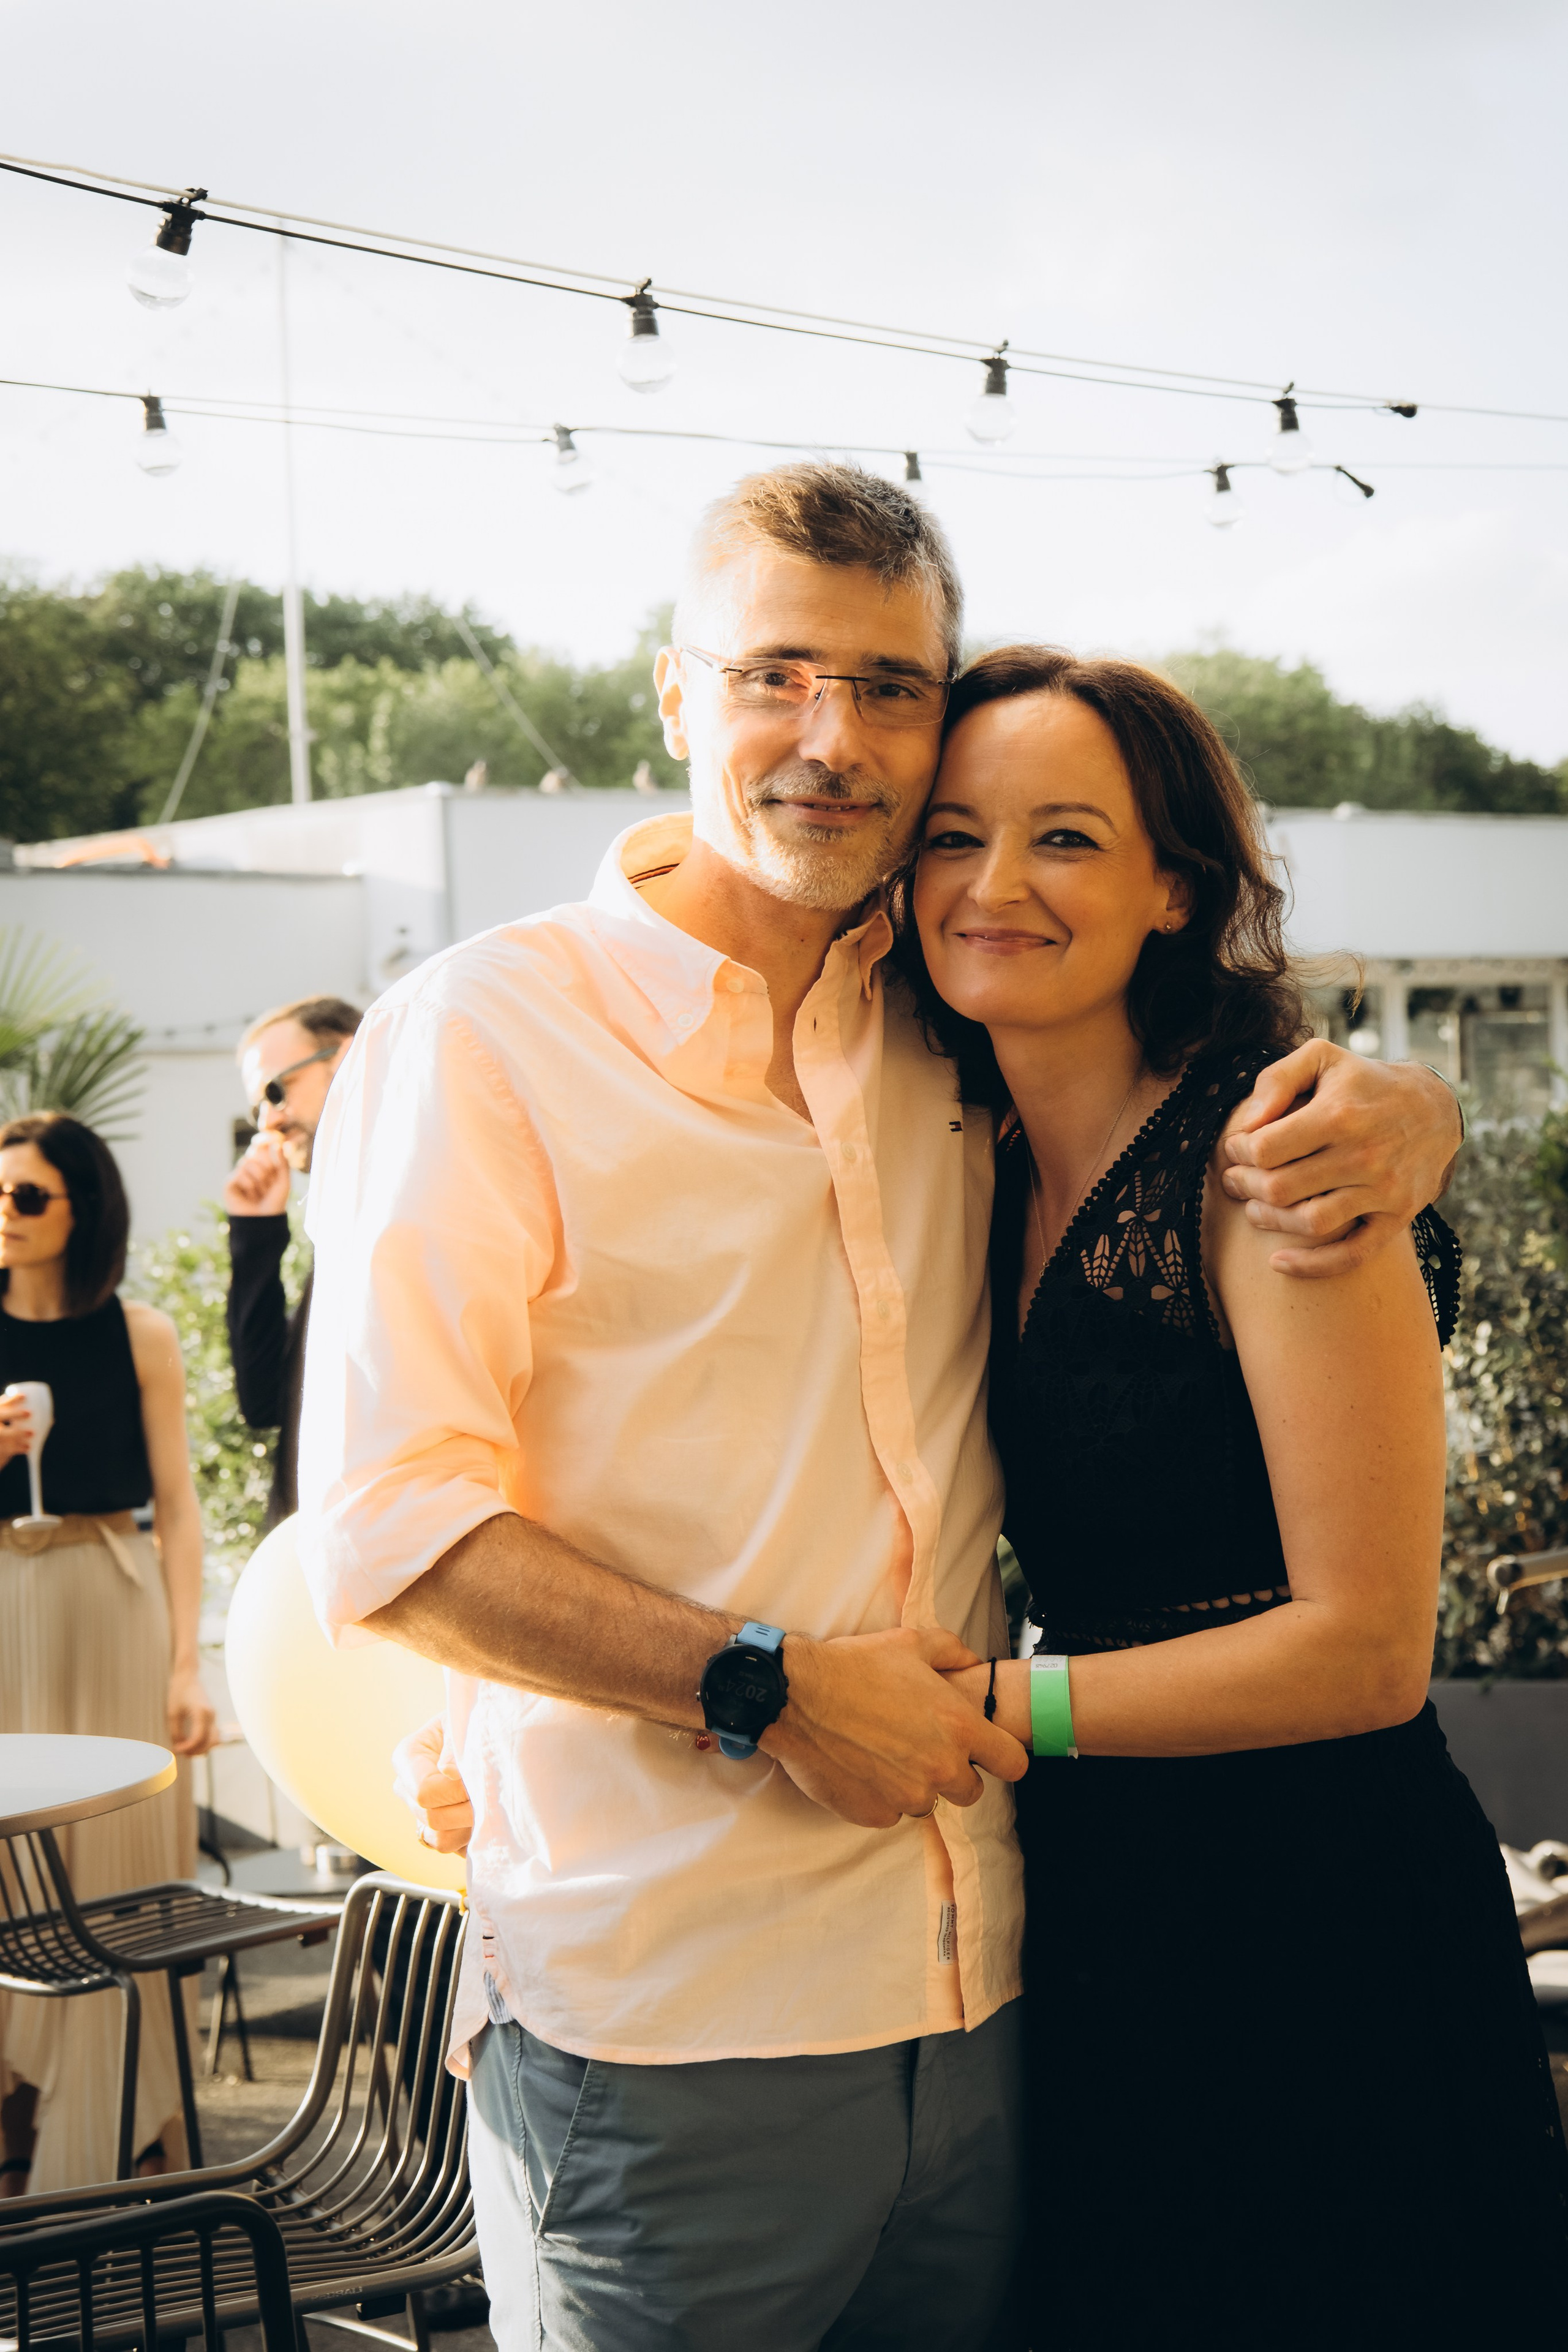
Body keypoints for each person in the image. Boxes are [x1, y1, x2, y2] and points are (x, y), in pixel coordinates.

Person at [298, 463, 1463, 2352]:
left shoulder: (941, 1030)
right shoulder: (482, 1036)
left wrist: (1414, 1112)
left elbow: (1208, 1077)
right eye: (774, 676)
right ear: (676, 698)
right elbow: (386, 1526)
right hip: (674, 2015)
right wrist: (743, 1680)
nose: (831, 741)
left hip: (1006, 1979)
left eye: (888, 688)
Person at [903, 647, 1568, 2348]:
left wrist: (977, 1711)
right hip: (1111, 1886)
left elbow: (1366, 1652)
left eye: (1062, 839)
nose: (992, 887)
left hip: (1316, 1902)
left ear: (1173, 888)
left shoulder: (1273, 1158)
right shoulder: (954, 1151)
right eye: (952, 835)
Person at [0, 1113, 216, 2195]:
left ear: (85, 1207)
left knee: (120, 1868)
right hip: (2, 1604)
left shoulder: (141, 1334)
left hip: (113, 1592)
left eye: (29, 1195)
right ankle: (18, 2123)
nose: (7, 1213)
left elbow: (177, 1507)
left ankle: (122, 2135)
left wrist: (189, 1664)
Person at [224, 997, 360, 1529]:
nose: (270, 1121)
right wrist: (255, 1234)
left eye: (277, 1090)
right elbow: (264, 1404)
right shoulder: (339, 1211)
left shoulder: (408, 1194)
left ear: (348, 1058)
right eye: (258, 1106)